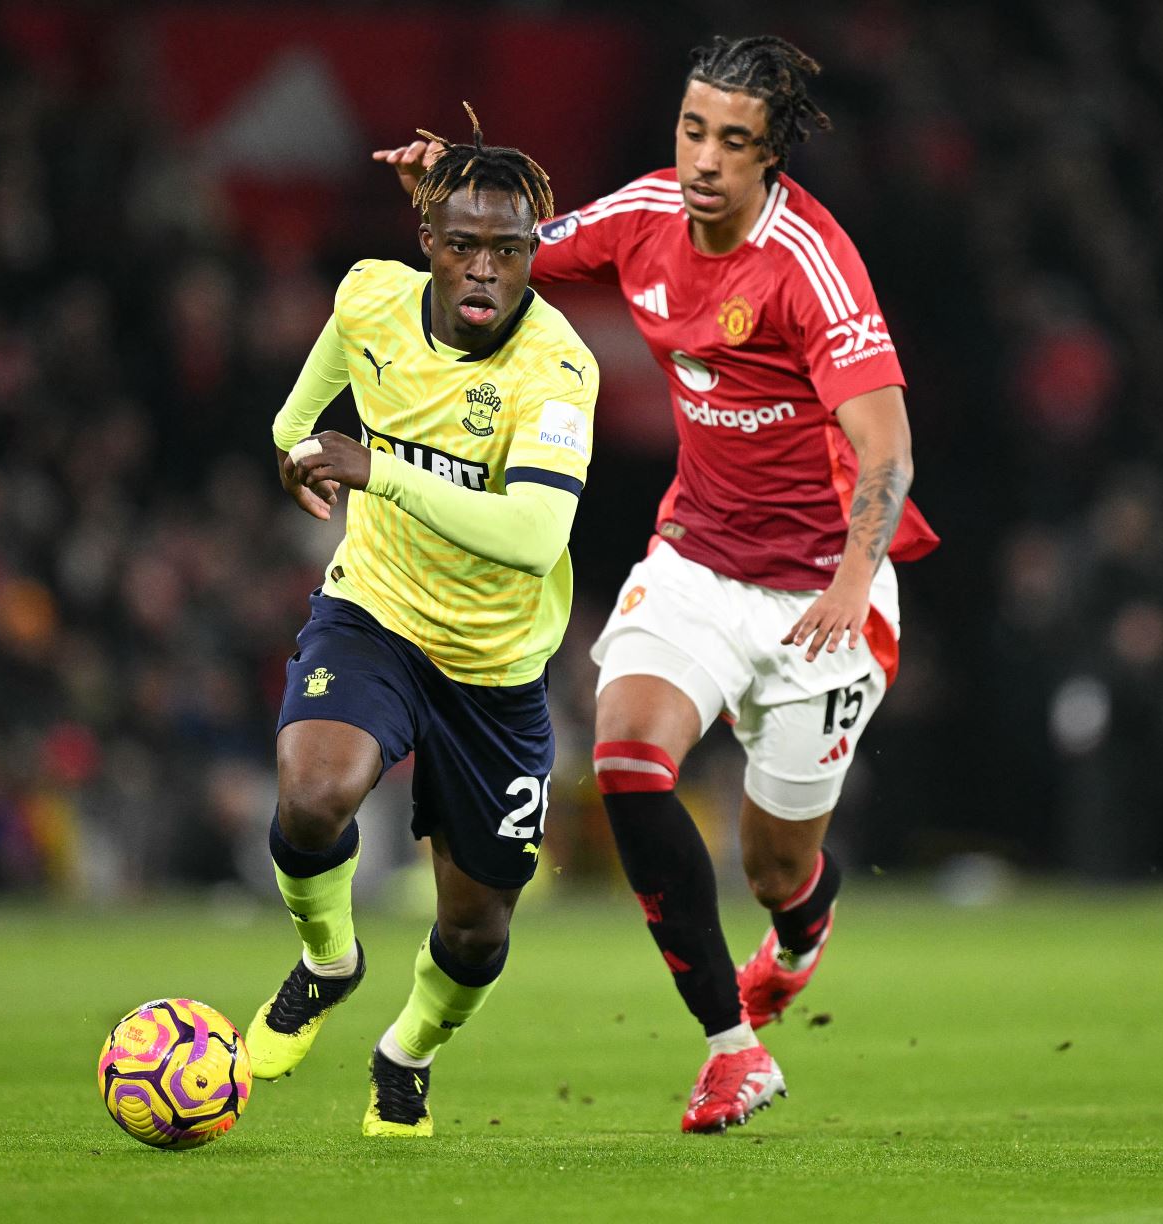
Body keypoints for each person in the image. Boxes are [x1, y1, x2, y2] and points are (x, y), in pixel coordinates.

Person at [375, 37, 937, 1133]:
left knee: (776, 864)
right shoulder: (642, 218)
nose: (705, 158)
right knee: (628, 753)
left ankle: (806, 920)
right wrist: (451, 189)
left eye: (734, 140)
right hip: (695, 561)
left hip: (822, 595)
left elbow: (886, 449)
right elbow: (514, 248)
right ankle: (733, 1049)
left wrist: (851, 582)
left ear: (772, 156)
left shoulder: (810, 266)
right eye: (693, 129)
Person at [253, 105, 598, 1138]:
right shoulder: (369, 301)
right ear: (430, 249)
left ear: (533, 254)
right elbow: (298, 419)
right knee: (314, 793)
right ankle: (328, 961)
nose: (486, 270)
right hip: (376, 613)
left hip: (494, 670)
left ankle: (404, 1052)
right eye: (465, 247)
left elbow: (535, 534)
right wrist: (292, 450)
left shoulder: (558, 370)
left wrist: (381, 468)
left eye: (509, 249)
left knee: (477, 931)